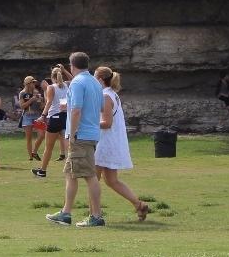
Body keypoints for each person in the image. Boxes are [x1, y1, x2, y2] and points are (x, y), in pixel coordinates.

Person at [46, 51, 105, 227]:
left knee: (89, 175)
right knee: (71, 173)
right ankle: (66, 212)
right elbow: (100, 106)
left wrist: (72, 133)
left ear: (72, 65)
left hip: (81, 135)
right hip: (92, 133)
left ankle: (96, 216)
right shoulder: (95, 82)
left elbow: (76, 109)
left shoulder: (77, 83)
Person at [93, 66, 149, 221]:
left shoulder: (105, 96)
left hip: (104, 143)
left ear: (99, 80)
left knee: (93, 180)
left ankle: (94, 215)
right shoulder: (112, 94)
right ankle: (139, 204)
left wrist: (88, 123)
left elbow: (107, 123)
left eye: (94, 77)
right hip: (110, 142)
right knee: (111, 181)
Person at [33, 65, 69, 178]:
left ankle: (43, 170)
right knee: (68, 145)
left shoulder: (51, 87)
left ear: (52, 77)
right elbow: (74, 79)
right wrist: (65, 70)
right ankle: (72, 170)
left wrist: (42, 116)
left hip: (54, 117)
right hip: (66, 116)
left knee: (49, 147)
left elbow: (48, 102)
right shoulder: (67, 85)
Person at [16, 76, 45, 161]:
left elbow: (41, 107)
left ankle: (34, 151)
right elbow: (22, 106)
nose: (34, 84)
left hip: (37, 116)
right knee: (29, 138)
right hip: (27, 116)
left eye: (34, 82)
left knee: (42, 135)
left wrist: (42, 101)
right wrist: (32, 99)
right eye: (32, 82)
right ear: (28, 84)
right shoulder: (22, 93)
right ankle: (30, 157)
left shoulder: (37, 92)